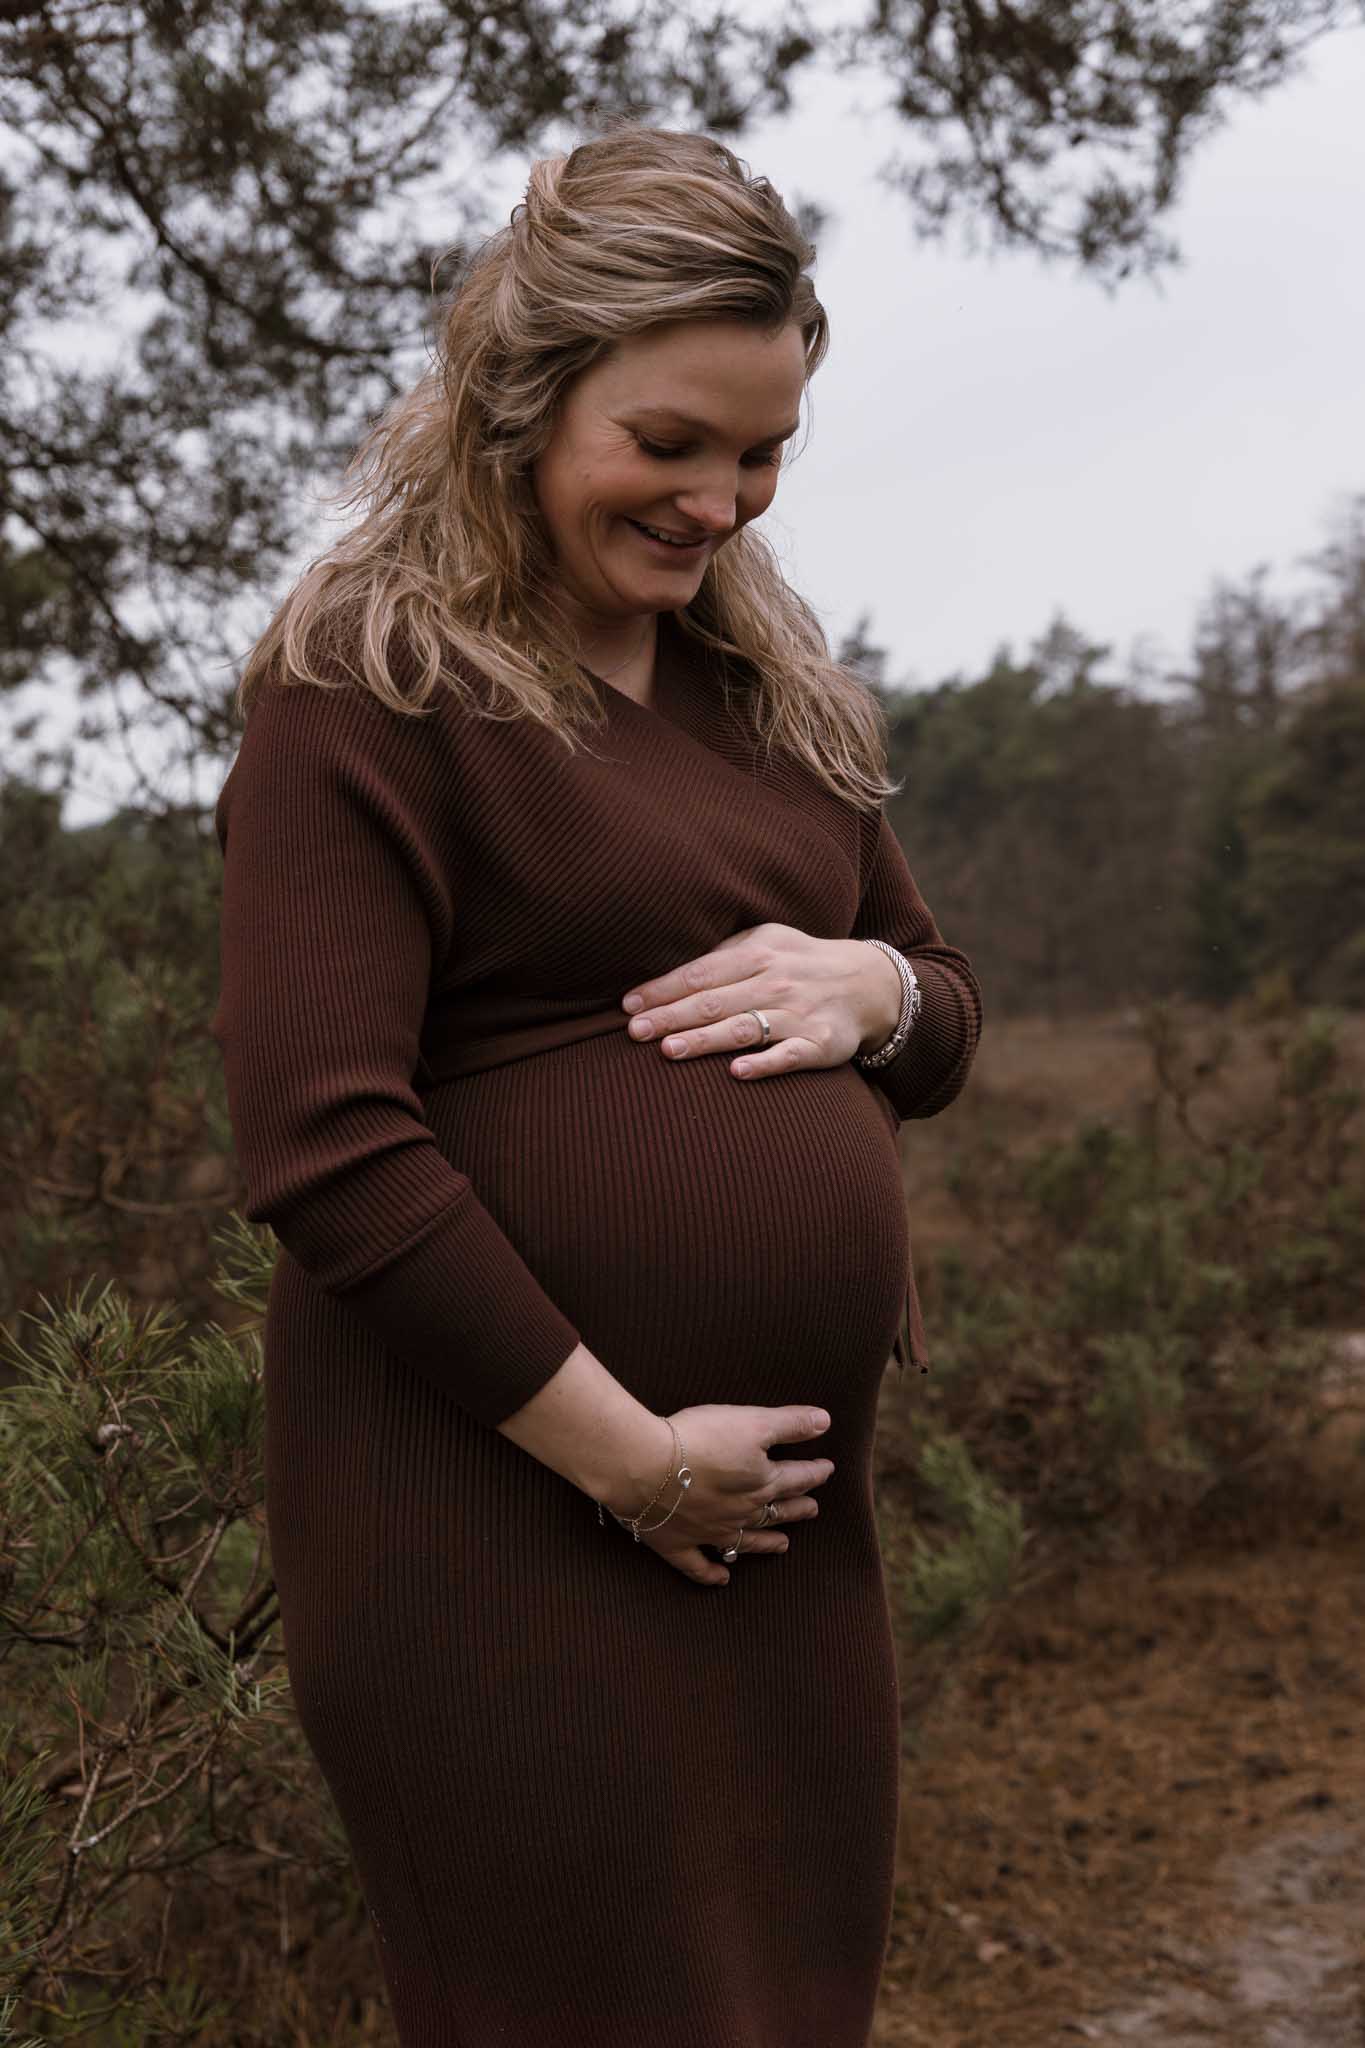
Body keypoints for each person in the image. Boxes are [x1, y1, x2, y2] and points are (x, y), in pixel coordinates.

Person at [211, 121, 982, 2048]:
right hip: (504, 1511)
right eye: (669, 443)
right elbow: (327, 1146)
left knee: (775, 2006)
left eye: (763, 452)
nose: (720, 501)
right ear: (516, 400)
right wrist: (632, 1463)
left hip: (775, 1533)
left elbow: (945, 1003)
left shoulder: (766, 697)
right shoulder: (366, 686)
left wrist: (878, 989)